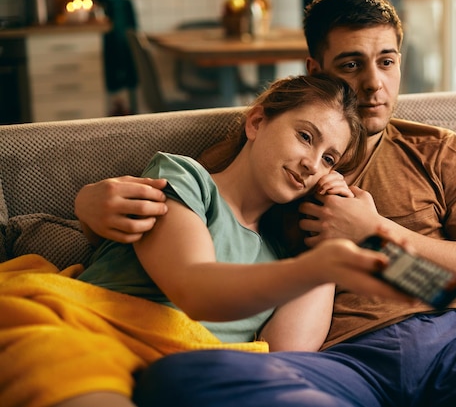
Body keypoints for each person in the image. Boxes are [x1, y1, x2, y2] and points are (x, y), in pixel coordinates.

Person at [75, 0, 456, 406]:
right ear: (315, 71)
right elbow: (176, 209)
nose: (373, 85)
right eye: (351, 65)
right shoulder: (274, 153)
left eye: (386, 62)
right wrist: (89, 204)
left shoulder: (438, 151)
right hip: (335, 364)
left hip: (449, 342)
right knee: (187, 378)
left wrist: (379, 233)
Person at [0, 73, 421, 407]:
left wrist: (328, 240)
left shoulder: (280, 256)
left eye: (329, 158)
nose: (312, 164)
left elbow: (286, 357)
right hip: (89, 336)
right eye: (305, 136)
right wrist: (314, 267)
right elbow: (194, 287)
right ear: (257, 122)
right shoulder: (186, 179)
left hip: (190, 380)